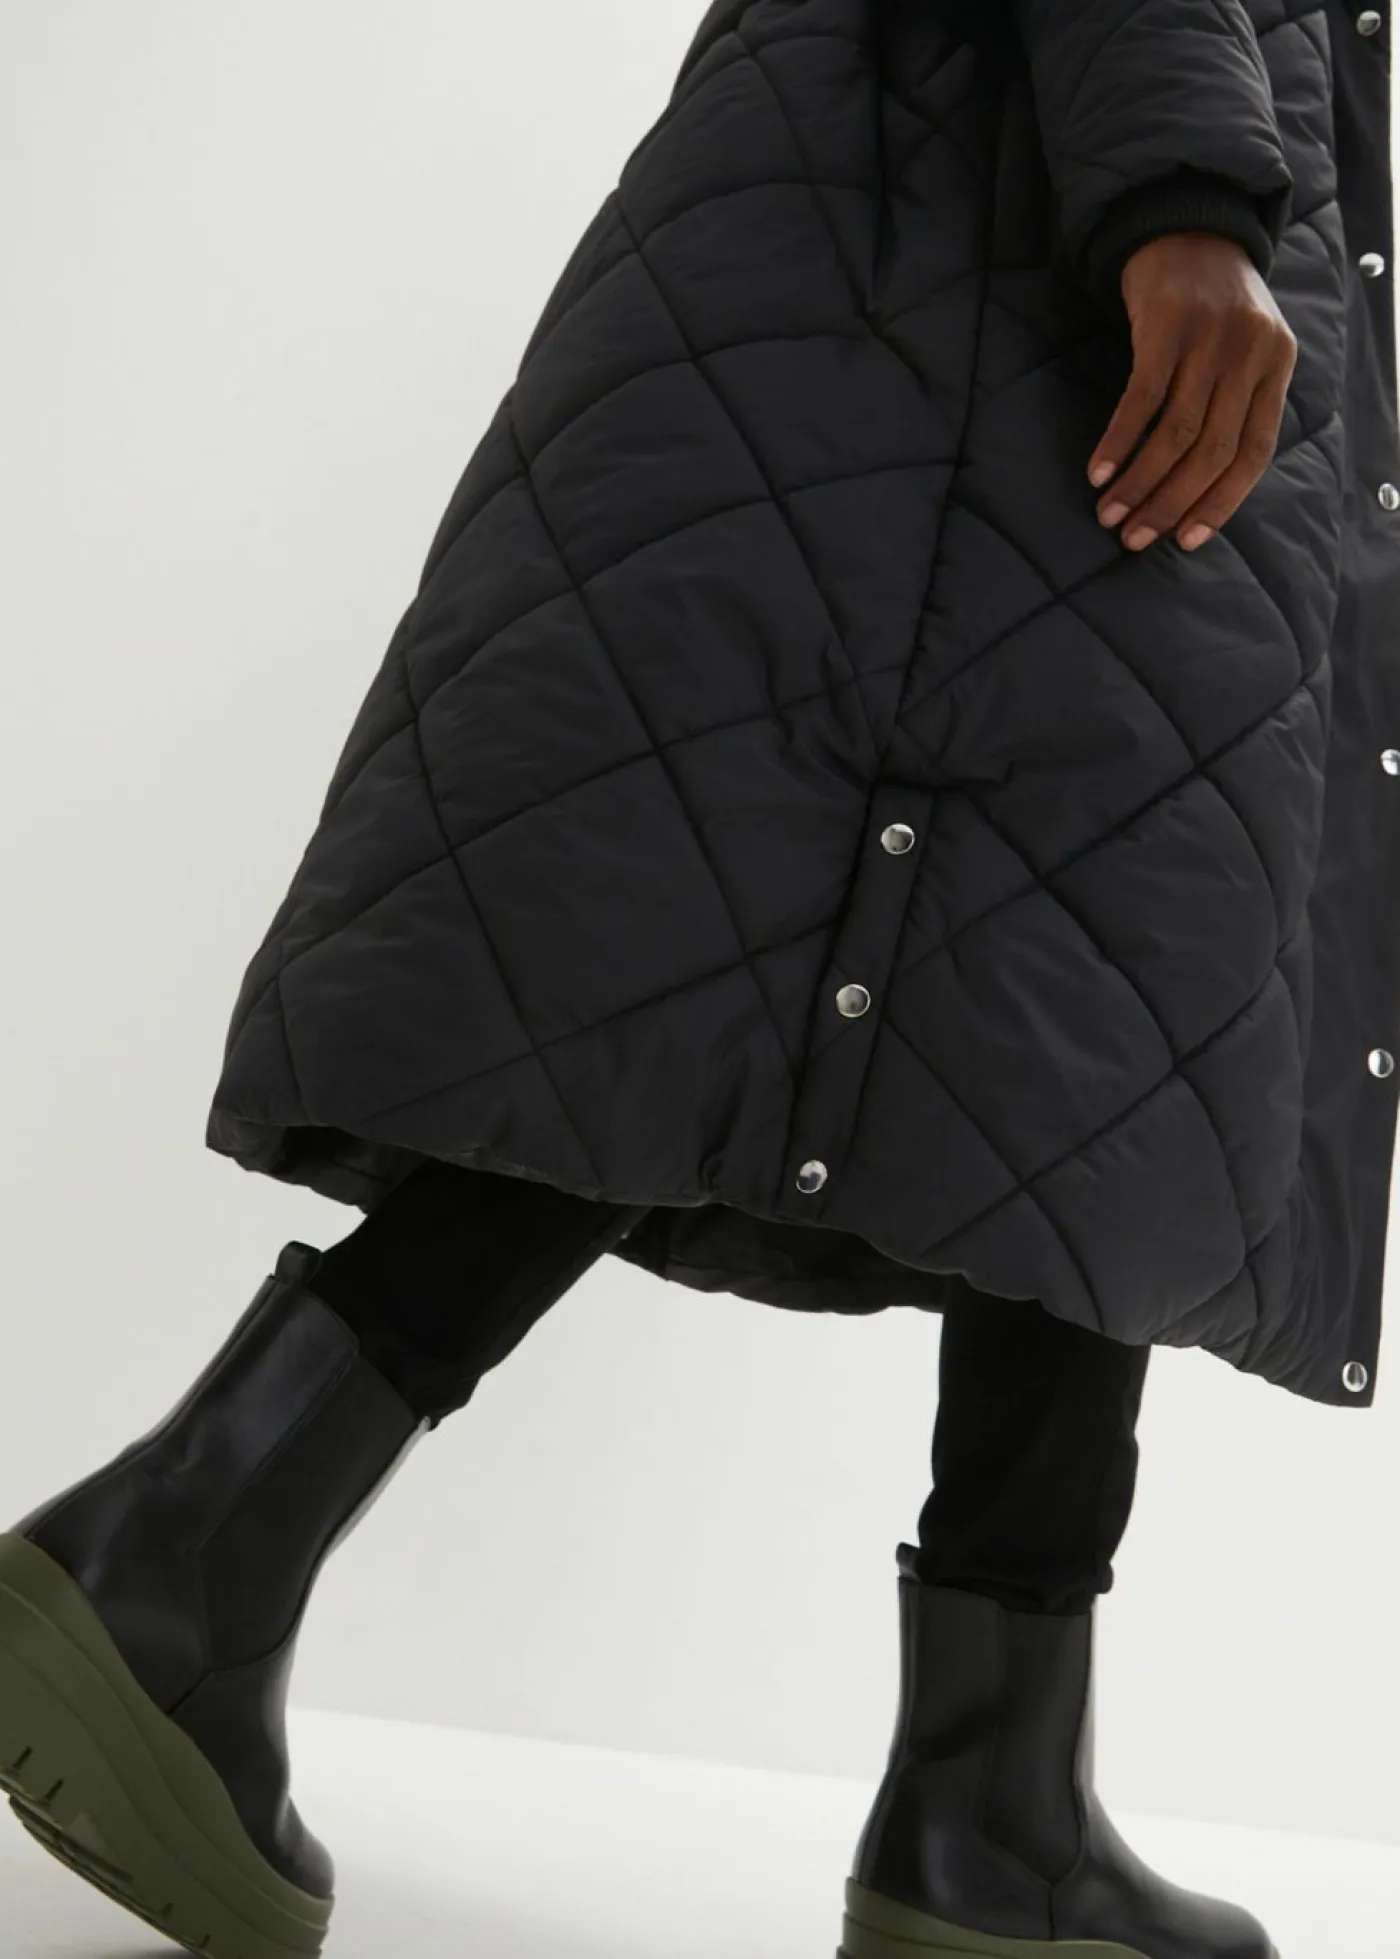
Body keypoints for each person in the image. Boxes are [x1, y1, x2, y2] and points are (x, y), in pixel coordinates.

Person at [1, 4, 1395, 1958]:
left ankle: (986, 1799)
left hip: (1011, 239)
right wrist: (1185, 198)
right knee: (896, 960)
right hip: (1022, 260)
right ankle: (192, 1556)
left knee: (1087, 1013)